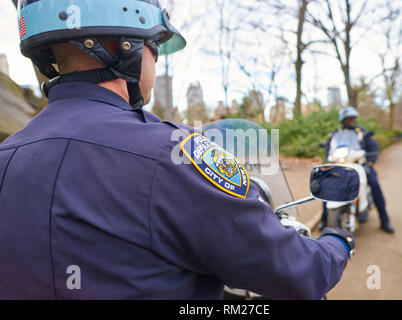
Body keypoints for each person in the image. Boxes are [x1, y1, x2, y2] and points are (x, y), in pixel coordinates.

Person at [0, 0, 354, 299]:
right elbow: (297, 273)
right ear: (128, 48)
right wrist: (337, 242)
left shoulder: (6, 156)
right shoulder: (170, 154)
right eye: (155, 47)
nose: (156, 59)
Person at [319, 107, 395, 234]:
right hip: (340, 165)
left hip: (360, 164)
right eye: (349, 118)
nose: (352, 120)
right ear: (343, 120)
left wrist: (370, 160)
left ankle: (385, 221)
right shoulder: (335, 134)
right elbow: (328, 149)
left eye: (353, 118)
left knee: (375, 185)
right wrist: (327, 159)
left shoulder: (361, 132)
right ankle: (324, 219)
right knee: (327, 186)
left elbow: (372, 146)